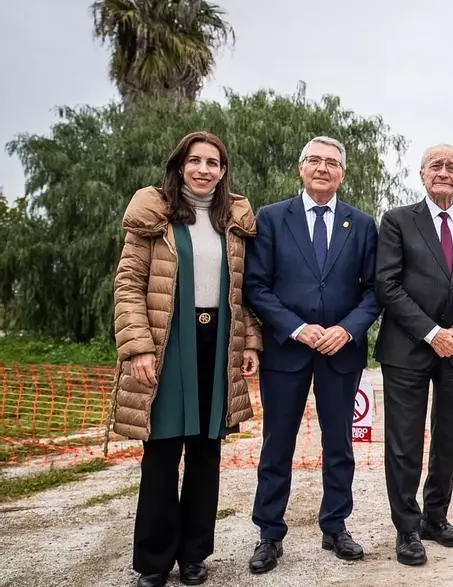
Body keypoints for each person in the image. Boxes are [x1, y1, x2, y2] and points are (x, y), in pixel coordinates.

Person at [111, 131, 261, 587]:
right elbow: (128, 284)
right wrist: (137, 347)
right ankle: (154, 561)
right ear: (180, 166)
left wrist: (250, 342)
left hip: (218, 343)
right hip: (166, 341)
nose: (203, 170)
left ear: (223, 171)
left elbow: (242, 291)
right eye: (195, 161)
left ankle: (194, 554)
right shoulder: (153, 214)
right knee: (161, 453)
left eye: (213, 163)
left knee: (205, 453)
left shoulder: (233, 220)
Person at [243, 136, 381, 574]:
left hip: (341, 352)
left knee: (339, 443)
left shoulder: (362, 225)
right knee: (277, 444)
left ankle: (335, 525)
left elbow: (374, 291)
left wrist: (346, 329)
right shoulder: (271, 218)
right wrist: (298, 328)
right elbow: (256, 286)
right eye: (315, 160)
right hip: (286, 351)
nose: (323, 168)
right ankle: (269, 533)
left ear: (342, 173)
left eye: (332, 163)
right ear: (301, 167)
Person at [374, 143, 453, 567]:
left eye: (452, 167)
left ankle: (435, 517)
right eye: (436, 166)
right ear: (422, 175)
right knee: (404, 442)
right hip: (406, 349)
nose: (444, 172)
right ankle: (407, 529)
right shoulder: (397, 221)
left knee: (448, 439)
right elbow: (387, 284)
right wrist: (431, 333)